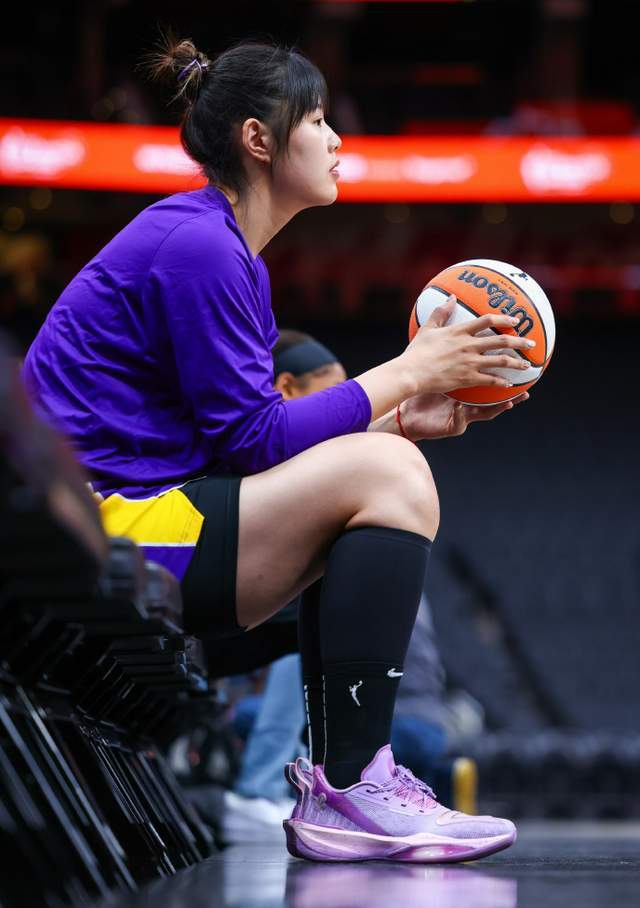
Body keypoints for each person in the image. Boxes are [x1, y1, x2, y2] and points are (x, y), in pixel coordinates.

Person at [22, 36, 533, 863]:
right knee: (390, 477)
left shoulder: (217, 247)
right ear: (259, 139)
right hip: (104, 532)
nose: (337, 139)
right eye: (319, 120)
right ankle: (354, 787)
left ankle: (348, 787)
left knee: (386, 471)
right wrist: (407, 372)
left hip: (129, 523)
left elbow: (244, 448)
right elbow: (257, 446)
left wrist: (400, 421)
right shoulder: (201, 248)